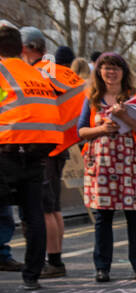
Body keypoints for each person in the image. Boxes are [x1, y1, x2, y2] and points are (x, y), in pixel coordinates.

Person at [0, 23, 74, 291]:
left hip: (8, 147)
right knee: (33, 213)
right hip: (41, 149)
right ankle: (31, 276)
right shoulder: (34, 74)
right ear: (19, 48)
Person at [77, 52, 136, 283]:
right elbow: (80, 132)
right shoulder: (91, 99)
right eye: (106, 68)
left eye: (116, 68)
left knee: (134, 216)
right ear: (99, 72)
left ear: (124, 72)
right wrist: (101, 130)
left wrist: (125, 118)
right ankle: (102, 267)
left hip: (131, 163)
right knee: (103, 217)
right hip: (102, 164)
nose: (111, 72)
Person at [28, 37, 86, 276]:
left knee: (46, 208)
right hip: (60, 144)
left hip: (46, 146)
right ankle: (55, 259)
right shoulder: (60, 71)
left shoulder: (37, 73)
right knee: (53, 206)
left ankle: (54, 262)